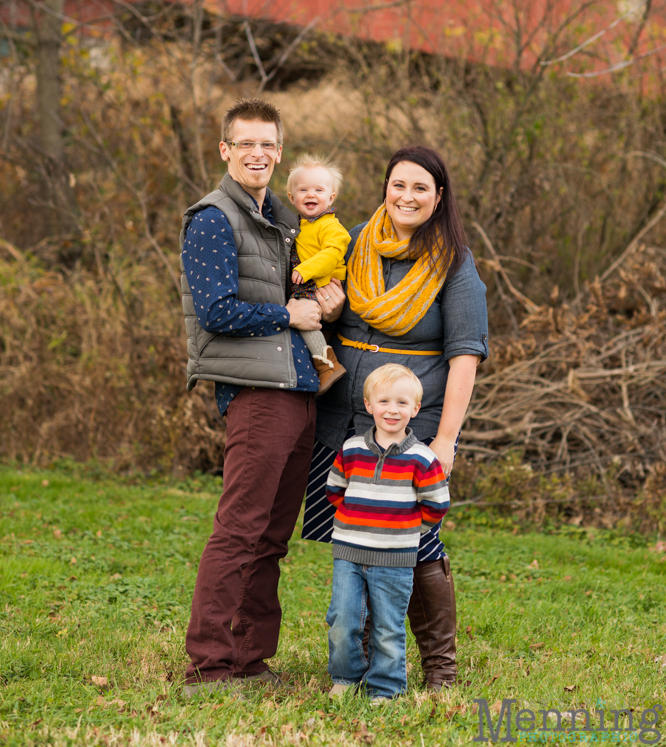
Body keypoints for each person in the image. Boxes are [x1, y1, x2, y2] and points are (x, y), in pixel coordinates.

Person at [302, 145, 489, 691]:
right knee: (350, 531)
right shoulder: (354, 241)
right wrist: (330, 309)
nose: (407, 197)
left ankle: (439, 669)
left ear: (438, 199)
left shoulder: (454, 262)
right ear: (385, 187)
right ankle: (361, 665)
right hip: (342, 416)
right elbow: (321, 310)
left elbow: (465, 356)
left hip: (412, 423)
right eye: (398, 185)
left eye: (420, 189)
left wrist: (446, 439)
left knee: (416, 543)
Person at [179, 97, 334, 696]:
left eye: (268, 144)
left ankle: (250, 662)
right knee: (240, 527)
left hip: (297, 387)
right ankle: (209, 666)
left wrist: (325, 301)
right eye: (245, 143)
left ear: (279, 149)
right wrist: (288, 313)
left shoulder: (279, 218)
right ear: (225, 149)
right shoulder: (214, 218)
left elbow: (296, 299)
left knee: (272, 536)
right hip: (256, 391)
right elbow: (215, 311)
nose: (258, 154)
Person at [325, 364, 450, 703]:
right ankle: (345, 678)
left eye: (401, 403)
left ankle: (386, 687)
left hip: (395, 558)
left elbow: (437, 505)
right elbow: (335, 491)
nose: (392, 410)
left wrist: (407, 532)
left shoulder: (422, 459)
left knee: (387, 626)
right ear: (368, 405)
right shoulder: (352, 449)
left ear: (415, 409)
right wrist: (355, 523)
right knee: (343, 619)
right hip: (349, 553)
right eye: (384, 401)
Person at [286, 153, 350, 395]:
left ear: (331, 197)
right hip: (308, 282)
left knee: (305, 319)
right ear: (292, 197)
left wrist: (305, 269)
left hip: (321, 284)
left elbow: (332, 254)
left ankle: (326, 365)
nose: (311, 194)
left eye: (319, 190)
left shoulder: (331, 226)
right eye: (303, 189)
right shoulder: (301, 225)